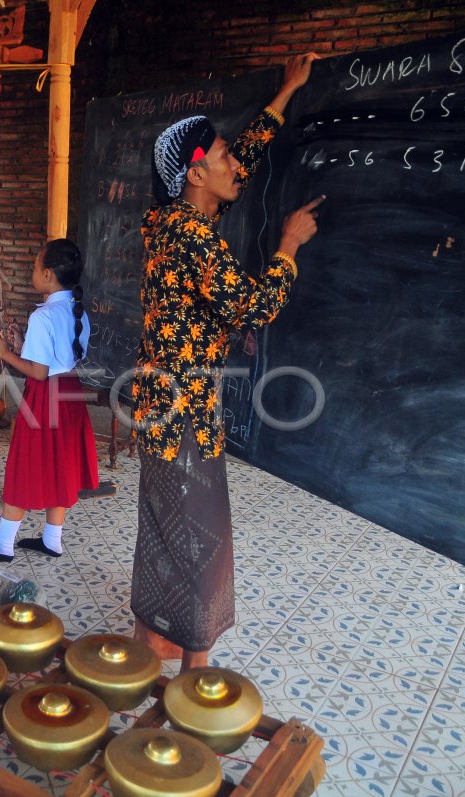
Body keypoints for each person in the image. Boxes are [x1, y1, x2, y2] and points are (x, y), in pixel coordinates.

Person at [132, 52, 324, 671]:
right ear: (195, 173)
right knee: (203, 534)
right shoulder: (192, 239)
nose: (236, 164)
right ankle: (196, 668)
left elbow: (241, 156)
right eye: (222, 159)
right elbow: (255, 306)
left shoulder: (165, 221)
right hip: (184, 409)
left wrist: (287, 91)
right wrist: (288, 246)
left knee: (164, 523)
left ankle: (150, 639)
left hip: (159, 402)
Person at [0, 239, 98, 563]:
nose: (33, 272)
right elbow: (58, 359)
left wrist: (5, 353)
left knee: (24, 466)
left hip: (44, 398)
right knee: (61, 466)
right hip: (70, 396)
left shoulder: (43, 316)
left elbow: (39, 373)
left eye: (37, 266)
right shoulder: (77, 310)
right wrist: (23, 343)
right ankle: (52, 540)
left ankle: (3, 546)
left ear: (49, 275)